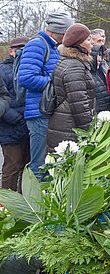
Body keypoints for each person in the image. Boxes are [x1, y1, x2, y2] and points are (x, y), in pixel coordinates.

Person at [18, 12, 73, 179]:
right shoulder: (37, 45)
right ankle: (33, 203)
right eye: (65, 33)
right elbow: (26, 77)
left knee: (50, 164)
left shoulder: (52, 47)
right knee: (40, 165)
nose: (66, 37)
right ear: (56, 31)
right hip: (38, 114)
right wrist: (55, 83)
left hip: (47, 112)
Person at [46, 23, 97, 150]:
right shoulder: (74, 66)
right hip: (70, 129)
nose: (92, 43)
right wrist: (90, 133)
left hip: (66, 124)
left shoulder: (69, 61)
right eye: (88, 39)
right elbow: (79, 104)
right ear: (79, 43)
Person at [0, 36, 30, 191]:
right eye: (19, 50)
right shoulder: (3, 71)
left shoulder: (29, 69)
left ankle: (24, 202)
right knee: (12, 167)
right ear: (11, 51)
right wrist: (16, 118)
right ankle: (6, 205)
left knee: (27, 168)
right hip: (10, 127)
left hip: (28, 124)